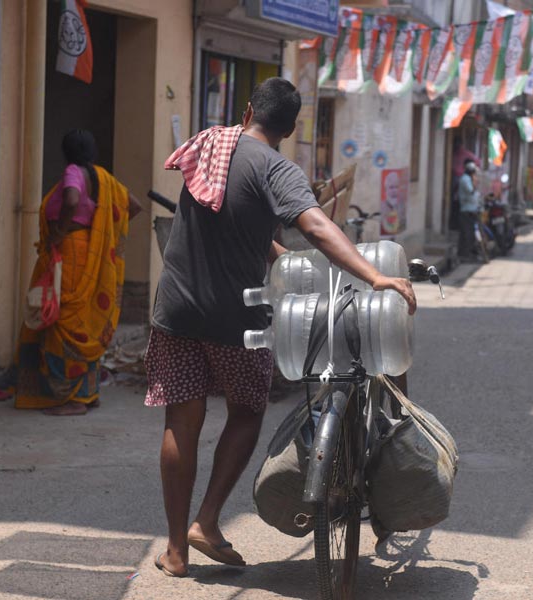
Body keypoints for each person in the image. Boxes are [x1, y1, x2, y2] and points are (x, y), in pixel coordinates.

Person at [147, 77, 416, 578]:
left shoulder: (210, 148)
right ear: (289, 129)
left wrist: (280, 256)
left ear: (248, 110)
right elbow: (315, 224)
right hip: (236, 319)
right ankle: (205, 522)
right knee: (246, 412)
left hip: (176, 311)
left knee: (180, 422)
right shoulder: (276, 168)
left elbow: (234, 224)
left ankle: (175, 553)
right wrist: (376, 275)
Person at [12, 129, 142, 415]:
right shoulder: (103, 178)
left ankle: (71, 399)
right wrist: (101, 230)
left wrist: (60, 231)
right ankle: (88, 394)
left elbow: (71, 200)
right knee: (86, 323)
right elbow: (134, 205)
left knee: (61, 322)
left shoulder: (73, 172)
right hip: (92, 254)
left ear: (66, 151)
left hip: (70, 252)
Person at [457, 160, 481, 260]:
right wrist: (475, 182)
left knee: (471, 233)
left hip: (472, 210)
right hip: (466, 210)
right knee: (467, 233)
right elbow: (470, 191)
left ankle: (469, 253)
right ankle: (465, 254)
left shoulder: (468, 179)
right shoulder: (465, 179)